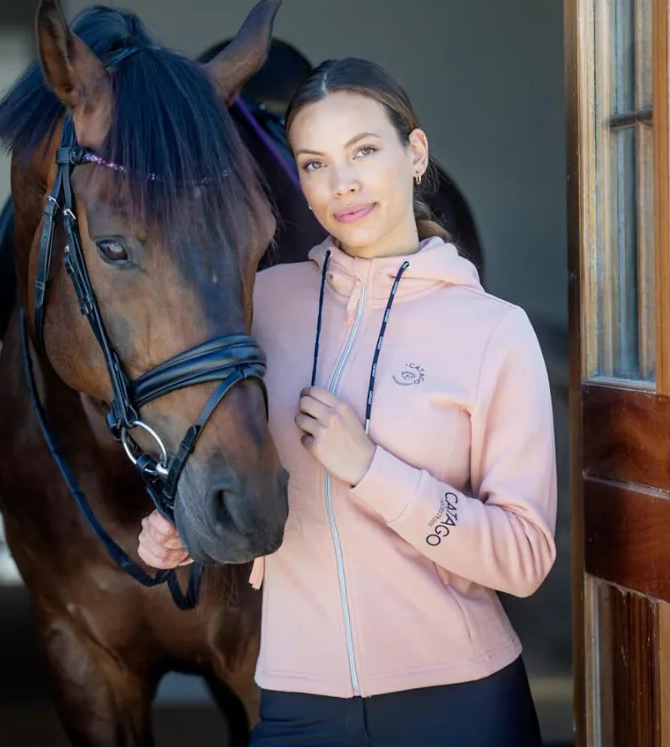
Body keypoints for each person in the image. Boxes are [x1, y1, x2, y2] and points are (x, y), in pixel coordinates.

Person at [138, 57, 556, 746]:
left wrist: (372, 470)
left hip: (461, 703)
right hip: (297, 706)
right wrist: (185, 527)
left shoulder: (492, 331)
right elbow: (234, 460)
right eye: (314, 163)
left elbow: (524, 556)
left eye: (363, 150)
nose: (343, 184)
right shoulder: (262, 306)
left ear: (414, 152)